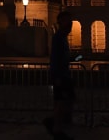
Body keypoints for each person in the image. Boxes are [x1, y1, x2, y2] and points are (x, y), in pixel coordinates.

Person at [44, 10, 75, 139]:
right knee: (62, 102)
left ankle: (55, 124)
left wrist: (79, 57)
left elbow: (65, 57)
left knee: (63, 102)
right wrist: (56, 76)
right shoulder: (58, 38)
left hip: (64, 75)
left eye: (70, 21)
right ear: (61, 22)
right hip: (61, 76)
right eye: (68, 21)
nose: (71, 24)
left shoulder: (63, 37)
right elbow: (55, 58)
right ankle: (55, 127)